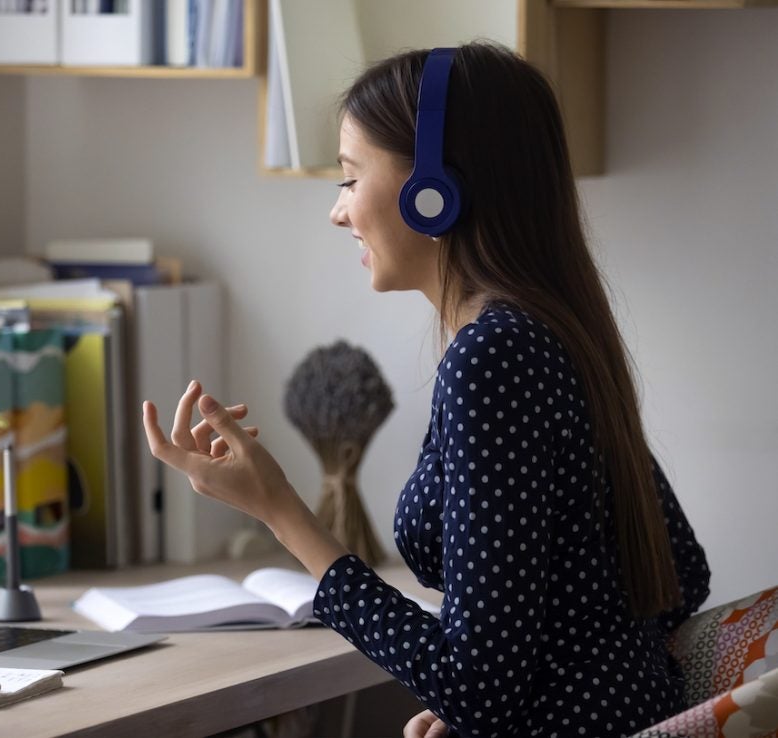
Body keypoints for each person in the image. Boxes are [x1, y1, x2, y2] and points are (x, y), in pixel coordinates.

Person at [142, 42, 710, 738]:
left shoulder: (494, 357)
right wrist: (500, 695)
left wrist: (280, 510)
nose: (338, 211)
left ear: (433, 191)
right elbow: (680, 575)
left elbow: (479, 687)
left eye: (351, 178)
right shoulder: (555, 331)